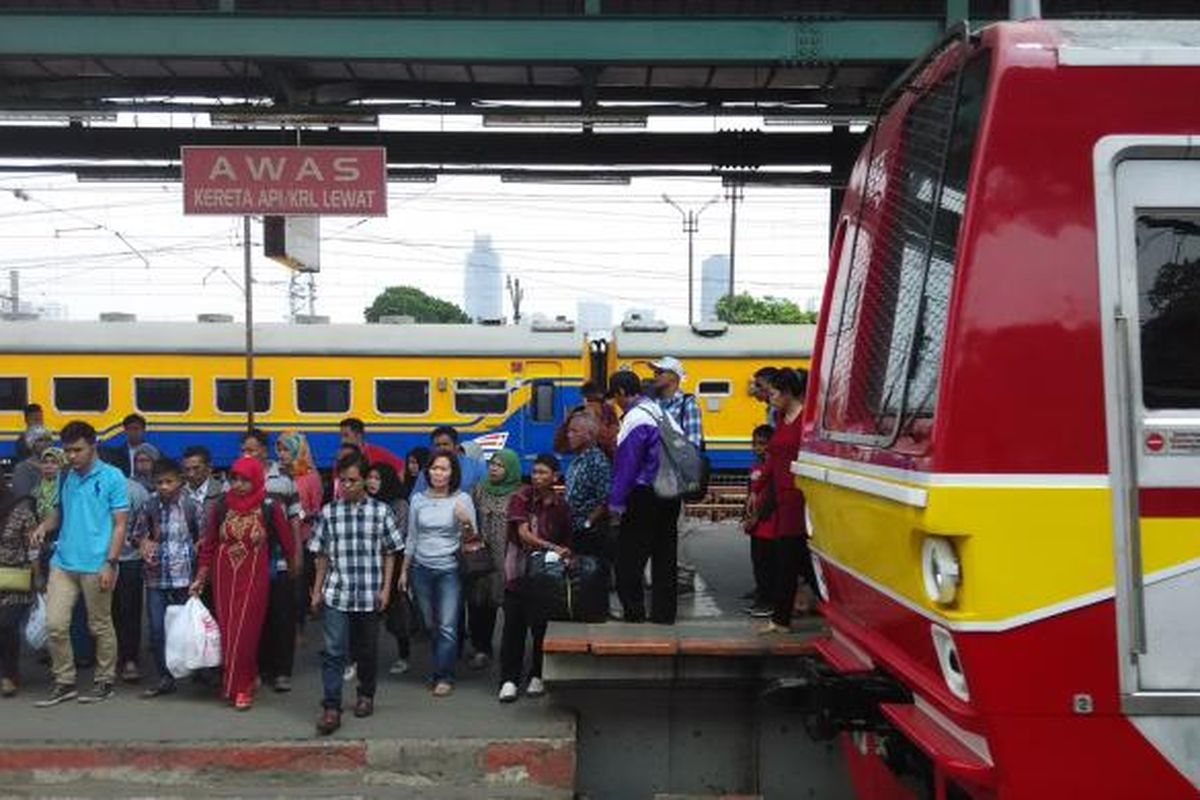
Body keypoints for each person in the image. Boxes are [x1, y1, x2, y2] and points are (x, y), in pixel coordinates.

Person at [30, 420, 129, 707]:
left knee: (99, 625)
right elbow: (58, 514)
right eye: (67, 451)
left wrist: (110, 562)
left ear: (93, 446)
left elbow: (120, 525)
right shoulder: (66, 476)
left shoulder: (113, 477)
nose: (71, 456)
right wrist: (43, 526)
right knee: (55, 625)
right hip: (63, 562)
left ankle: (104, 680)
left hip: (97, 563)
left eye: (77, 450)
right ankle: (65, 681)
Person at [310, 452, 405, 735]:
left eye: (353, 480)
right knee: (333, 650)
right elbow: (322, 555)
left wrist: (386, 589)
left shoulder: (381, 512)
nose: (347, 486)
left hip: (368, 591)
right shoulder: (329, 512)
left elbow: (390, 552)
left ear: (365, 480)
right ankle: (331, 705)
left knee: (367, 650)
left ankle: (365, 694)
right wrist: (316, 591)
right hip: (337, 592)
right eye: (343, 481)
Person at [189, 456, 294, 711]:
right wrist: (201, 577)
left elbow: (288, 544)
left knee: (245, 633)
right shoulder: (223, 505)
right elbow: (209, 544)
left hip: (255, 578)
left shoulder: (269, 506)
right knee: (228, 632)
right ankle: (244, 679)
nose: (238, 484)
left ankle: (239, 687)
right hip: (224, 576)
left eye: (244, 480)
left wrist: (292, 574)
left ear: (256, 479)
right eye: (234, 479)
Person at [607, 370, 684, 625]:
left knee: (628, 558)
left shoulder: (635, 418)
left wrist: (616, 504)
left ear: (620, 392)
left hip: (645, 495)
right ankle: (664, 615)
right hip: (671, 492)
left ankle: (634, 612)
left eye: (615, 397)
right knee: (665, 556)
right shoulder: (662, 412)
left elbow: (626, 466)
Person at [401, 451, 475, 697]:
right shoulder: (418, 500)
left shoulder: (462, 499)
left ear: (453, 473)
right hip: (420, 568)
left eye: (444, 469)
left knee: (447, 626)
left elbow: (472, 538)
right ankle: (440, 666)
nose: (438, 473)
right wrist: (404, 571)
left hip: (449, 570)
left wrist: (465, 521)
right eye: (434, 468)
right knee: (431, 624)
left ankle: (444, 675)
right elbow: (412, 537)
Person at [498, 454, 571, 703]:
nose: (537, 476)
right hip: (517, 572)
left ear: (555, 477)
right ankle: (508, 679)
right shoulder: (521, 497)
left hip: (544, 577)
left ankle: (537, 675)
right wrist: (552, 547)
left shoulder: (561, 505)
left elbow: (567, 540)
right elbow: (522, 533)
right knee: (513, 628)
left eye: (543, 472)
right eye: (535, 472)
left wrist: (562, 553)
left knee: (540, 627)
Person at [240, 429, 302, 693]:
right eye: (244, 450)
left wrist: (296, 554)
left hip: (278, 559)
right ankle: (262, 667)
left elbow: (294, 520)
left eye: (252, 450)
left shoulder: (283, 481)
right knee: (257, 616)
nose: (248, 455)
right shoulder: (240, 480)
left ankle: (282, 671)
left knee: (282, 616)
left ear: (265, 450)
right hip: (251, 563)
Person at [132, 458, 201, 698]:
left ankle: (191, 670)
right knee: (157, 629)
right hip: (155, 576)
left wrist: (199, 570)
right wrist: (143, 543)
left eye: (168, 482)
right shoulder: (149, 506)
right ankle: (164, 676)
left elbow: (202, 537)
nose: (163, 486)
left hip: (184, 575)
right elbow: (137, 534)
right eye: (159, 482)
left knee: (185, 629)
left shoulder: (191, 506)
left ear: (180, 482)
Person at [758, 368, 814, 634]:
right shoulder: (782, 418)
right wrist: (758, 488)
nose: (770, 399)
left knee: (790, 557)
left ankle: (781, 619)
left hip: (800, 495)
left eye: (773, 393)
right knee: (794, 557)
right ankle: (782, 618)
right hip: (781, 495)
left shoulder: (807, 420)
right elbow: (773, 457)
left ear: (788, 392)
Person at [467, 449, 522, 670]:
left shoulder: (519, 493)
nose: (494, 468)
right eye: (492, 464)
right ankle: (481, 648)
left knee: (508, 603)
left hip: (508, 556)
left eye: (499, 465)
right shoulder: (479, 489)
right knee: (480, 604)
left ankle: (510, 653)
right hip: (482, 555)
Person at [366, 462, 412, 676]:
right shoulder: (364, 503)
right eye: (370, 477)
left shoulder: (399, 504)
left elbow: (401, 535)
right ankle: (360, 659)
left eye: (377, 478)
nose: (372, 482)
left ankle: (403, 655)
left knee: (395, 612)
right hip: (367, 564)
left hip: (392, 563)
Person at [276, 431, 323, 637]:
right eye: (279, 449)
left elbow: (317, 508)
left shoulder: (311, 477)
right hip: (278, 537)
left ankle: (299, 627)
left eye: (286, 449)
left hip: (302, 538)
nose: (281, 454)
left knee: (299, 585)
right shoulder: (276, 474)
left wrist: (302, 514)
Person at [0, 486, 38, 697]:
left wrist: (38, 576)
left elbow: (32, 546)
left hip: (13, 579)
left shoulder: (20, 510)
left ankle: (9, 675)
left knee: (6, 625)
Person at [113, 473, 150, 683]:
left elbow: (146, 523)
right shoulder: (97, 486)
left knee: (126, 611)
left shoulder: (135, 491)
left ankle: (129, 658)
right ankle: (121, 658)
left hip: (129, 559)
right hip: (106, 559)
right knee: (116, 612)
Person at [563, 412, 612, 560]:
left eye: (574, 431)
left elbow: (605, 499)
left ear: (589, 435)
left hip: (590, 535)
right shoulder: (576, 461)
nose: (569, 435)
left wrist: (587, 523)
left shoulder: (597, 461)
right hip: (574, 530)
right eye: (568, 431)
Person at [742, 424, 776, 618]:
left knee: (767, 565)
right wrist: (745, 515)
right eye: (754, 444)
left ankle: (767, 601)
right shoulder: (755, 466)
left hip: (768, 525)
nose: (757, 448)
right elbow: (750, 492)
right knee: (758, 562)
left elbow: (771, 496)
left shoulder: (772, 468)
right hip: (756, 527)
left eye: (762, 444)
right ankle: (761, 594)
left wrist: (756, 517)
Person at [410, 427, 488, 495]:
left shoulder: (476, 467)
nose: (441, 448)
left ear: (456, 446)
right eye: (437, 445)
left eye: (445, 444)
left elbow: (484, 496)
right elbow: (416, 496)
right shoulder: (427, 469)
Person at [552, 382, 619, 459]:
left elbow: (559, 444)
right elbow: (613, 438)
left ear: (584, 397)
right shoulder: (608, 412)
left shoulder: (577, 412)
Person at [338, 418, 404, 474]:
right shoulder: (342, 456)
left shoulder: (376, 453)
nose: (342, 440)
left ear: (359, 436)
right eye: (341, 436)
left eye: (346, 436)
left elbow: (401, 468)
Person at [181, 445, 223, 525]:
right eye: (187, 469)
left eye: (196, 468)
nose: (191, 474)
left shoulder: (222, 493)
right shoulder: (179, 494)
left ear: (209, 467)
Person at [10, 425, 53, 499]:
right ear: (31, 443)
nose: (46, 443)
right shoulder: (22, 469)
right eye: (40, 440)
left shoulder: (57, 466)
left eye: (48, 440)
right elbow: (22, 498)